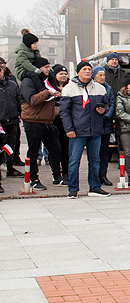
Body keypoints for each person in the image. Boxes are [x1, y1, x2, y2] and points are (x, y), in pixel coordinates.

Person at [59, 62, 113, 198]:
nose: (88, 71)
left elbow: (106, 104)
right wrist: (69, 129)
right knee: (74, 160)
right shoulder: (69, 88)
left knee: (95, 160)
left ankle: (95, 187)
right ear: (78, 72)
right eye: (84, 69)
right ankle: (73, 189)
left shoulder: (100, 88)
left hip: (95, 130)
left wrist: (103, 110)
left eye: (89, 69)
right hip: (78, 131)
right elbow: (64, 112)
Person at [20, 57, 63, 190]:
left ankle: (57, 176)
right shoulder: (28, 82)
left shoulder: (47, 81)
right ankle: (33, 178)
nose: (48, 69)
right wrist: (47, 93)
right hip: (33, 120)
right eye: (45, 67)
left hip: (47, 121)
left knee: (56, 149)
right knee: (33, 151)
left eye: (49, 66)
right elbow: (32, 100)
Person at [92, 66, 116, 186]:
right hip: (94, 123)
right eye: (99, 75)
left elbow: (111, 103)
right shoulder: (90, 87)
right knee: (94, 153)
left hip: (106, 124)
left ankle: (103, 175)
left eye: (103, 75)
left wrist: (107, 116)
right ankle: (94, 176)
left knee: (105, 152)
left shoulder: (108, 88)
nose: (102, 77)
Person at [0, 60, 22, 178]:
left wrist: (20, 114)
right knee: (1, 146)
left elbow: (19, 100)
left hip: (12, 120)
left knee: (11, 145)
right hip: (1, 122)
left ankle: (9, 167)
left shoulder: (12, 84)